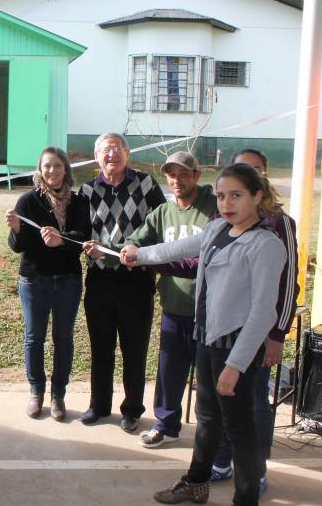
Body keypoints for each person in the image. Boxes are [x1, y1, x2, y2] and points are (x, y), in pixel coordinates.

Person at [120, 163, 287, 506]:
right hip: (207, 337)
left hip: (235, 347)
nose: (226, 203)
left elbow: (262, 313)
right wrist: (139, 255)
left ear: (258, 196)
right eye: (222, 195)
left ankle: (246, 498)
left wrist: (236, 365)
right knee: (207, 419)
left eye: (236, 195)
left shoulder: (266, 245)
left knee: (240, 429)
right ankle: (196, 483)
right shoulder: (217, 229)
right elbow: (178, 249)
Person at [209, 149, 299, 497]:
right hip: (222, 333)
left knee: (255, 402)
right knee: (221, 400)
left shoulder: (279, 225)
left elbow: (289, 282)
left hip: (258, 335)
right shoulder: (225, 221)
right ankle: (220, 459)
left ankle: (255, 469)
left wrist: (277, 334)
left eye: (255, 172)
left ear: (261, 186)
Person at [123, 151, 217, 448]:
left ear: (197, 175)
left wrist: (150, 260)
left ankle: (212, 433)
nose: (177, 180)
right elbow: (137, 238)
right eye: (171, 175)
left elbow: (203, 260)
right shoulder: (164, 212)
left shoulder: (214, 208)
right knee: (169, 371)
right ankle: (166, 424)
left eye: (183, 174)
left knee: (208, 376)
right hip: (174, 305)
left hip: (210, 311)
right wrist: (123, 249)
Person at [79, 133, 167, 431]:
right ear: (97, 155)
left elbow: (160, 225)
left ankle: (132, 409)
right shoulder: (88, 189)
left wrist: (139, 251)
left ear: (127, 153)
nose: (111, 155)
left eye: (117, 149)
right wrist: (83, 244)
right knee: (100, 346)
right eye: (106, 150)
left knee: (135, 348)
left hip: (137, 280)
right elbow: (79, 231)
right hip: (100, 279)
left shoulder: (145, 184)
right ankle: (99, 406)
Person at [5, 147, 90, 421]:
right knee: (34, 337)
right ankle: (36, 392)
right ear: (39, 171)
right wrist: (17, 229)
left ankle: (58, 396)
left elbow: (83, 238)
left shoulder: (79, 203)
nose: (51, 171)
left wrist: (62, 239)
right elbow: (18, 247)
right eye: (46, 166)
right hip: (34, 280)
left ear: (65, 169)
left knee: (63, 338)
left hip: (68, 281)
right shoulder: (28, 201)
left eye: (56, 165)